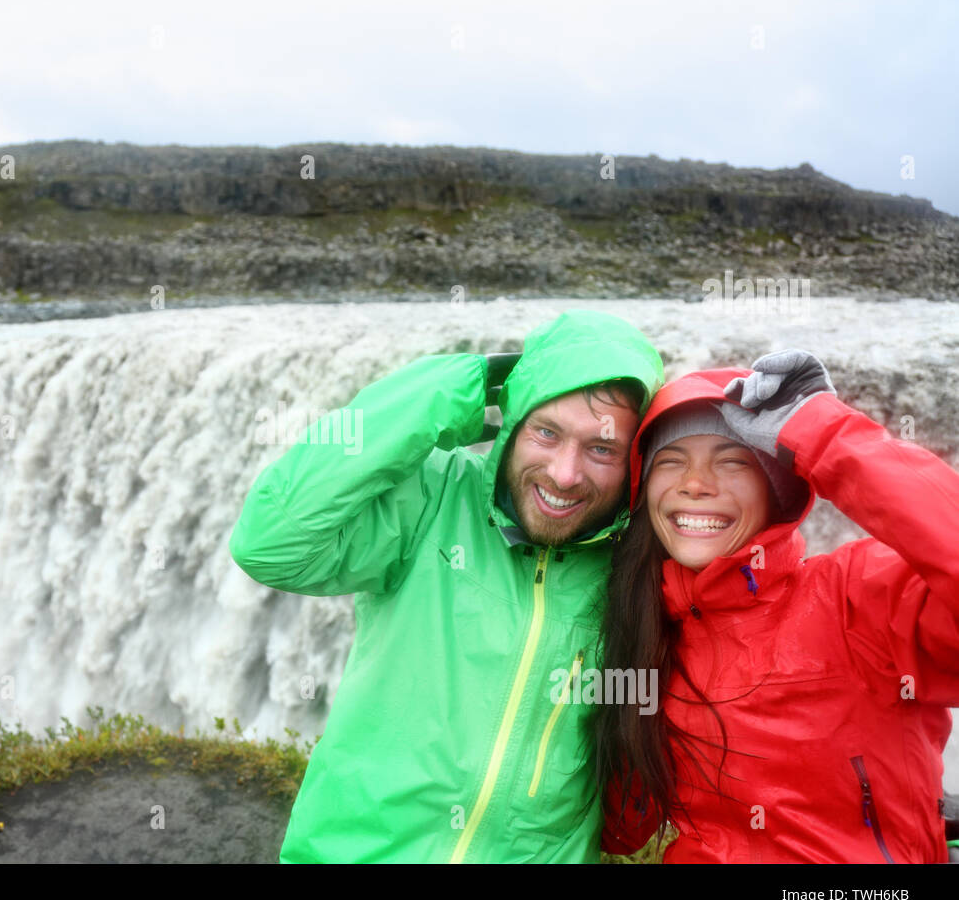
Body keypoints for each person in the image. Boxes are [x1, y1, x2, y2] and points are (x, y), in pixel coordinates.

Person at [229, 310, 664, 862]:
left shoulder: (642, 566)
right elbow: (269, 544)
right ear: (510, 426)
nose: (564, 474)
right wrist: (438, 394)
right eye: (546, 432)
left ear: (635, 460)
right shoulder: (432, 501)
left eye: (601, 449)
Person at [598, 350, 959, 863]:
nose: (695, 484)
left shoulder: (858, 596)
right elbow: (621, 828)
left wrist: (823, 432)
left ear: (777, 493)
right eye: (671, 461)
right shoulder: (641, 628)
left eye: (731, 461)